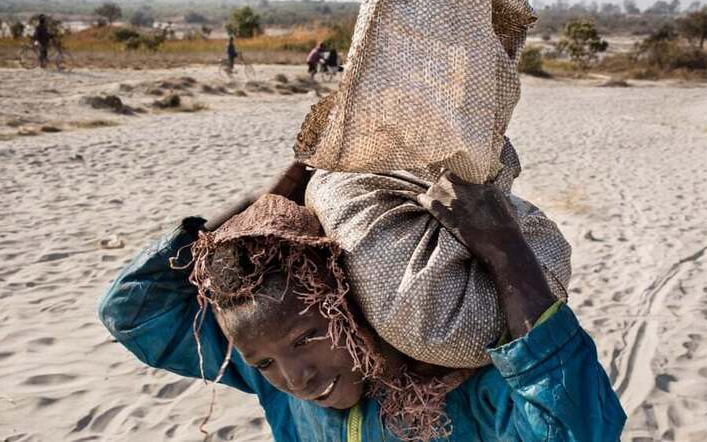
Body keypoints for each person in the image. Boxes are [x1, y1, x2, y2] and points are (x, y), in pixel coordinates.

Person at [98, 163, 627, 441]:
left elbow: (577, 430)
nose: (295, 378)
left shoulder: (467, 389)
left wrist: (507, 252)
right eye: (263, 362)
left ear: (350, 305)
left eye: (307, 336)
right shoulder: (274, 382)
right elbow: (130, 310)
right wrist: (263, 204)